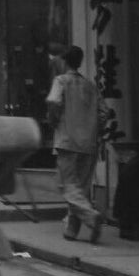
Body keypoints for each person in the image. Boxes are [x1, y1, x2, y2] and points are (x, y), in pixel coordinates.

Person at [47, 45, 105, 243]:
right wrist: (93, 129)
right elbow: (103, 113)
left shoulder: (61, 81)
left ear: (64, 61)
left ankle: (90, 216)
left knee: (67, 185)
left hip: (67, 139)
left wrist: (53, 120)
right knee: (80, 187)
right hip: (88, 143)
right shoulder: (90, 85)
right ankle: (71, 231)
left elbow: (53, 102)